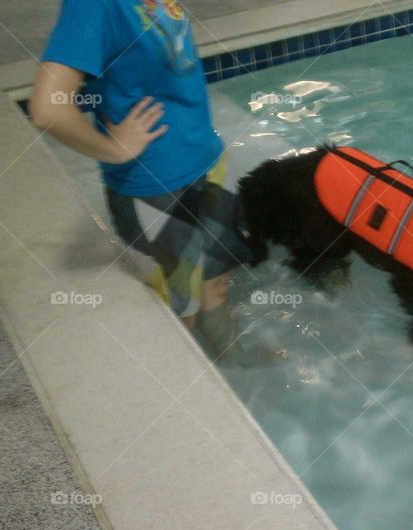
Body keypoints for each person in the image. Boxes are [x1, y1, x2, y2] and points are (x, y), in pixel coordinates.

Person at [29, 0, 251, 359]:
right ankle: (197, 399)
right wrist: (114, 150)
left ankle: (236, 362)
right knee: (183, 311)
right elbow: (47, 109)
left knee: (215, 283)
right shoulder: (93, 6)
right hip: (156, 190)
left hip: (206, 162)